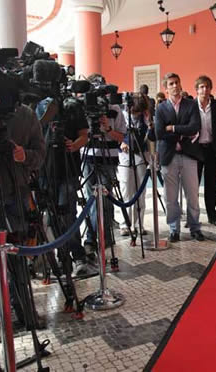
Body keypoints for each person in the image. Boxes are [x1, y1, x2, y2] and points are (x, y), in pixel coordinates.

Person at [0, 101, 46, 342]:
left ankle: (24, 307)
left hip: (18, 190)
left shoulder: (26, 114)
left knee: (20, 254)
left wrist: (24, 155)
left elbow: (40, 154)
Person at [35, 97, 95, 276]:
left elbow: (84, 135)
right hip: (43, 171)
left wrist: (74, 145)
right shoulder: (35, 104)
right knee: (52, 216)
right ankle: (62, 258)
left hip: (68, 168)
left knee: (68, 215)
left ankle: (78, 256)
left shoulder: (70, 106)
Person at [155, 72, 204, 242]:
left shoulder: (191, 105)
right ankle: (174, 229)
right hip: (169, 156)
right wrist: (182, 132)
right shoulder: (160, 108)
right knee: (171, 197)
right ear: (166, 88)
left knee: (192, 194)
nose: (175, 86)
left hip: (189, 154)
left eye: (177, 82)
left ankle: (195, 227)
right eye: (171, 84)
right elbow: (159, 132)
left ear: (180, 84)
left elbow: (195, 127)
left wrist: (173, 128)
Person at [82, 73, 127, 251]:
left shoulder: (114, 109)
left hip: (109, 158)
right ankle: (92, 238)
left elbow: (121, 137)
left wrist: (107, 127)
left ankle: (102, 237)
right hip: (89, 158)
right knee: (90, 200)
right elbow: (81, 136)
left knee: (106, 200)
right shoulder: (84, 107)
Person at [194, 76, 216, 228]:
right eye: (201, 87)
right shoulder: (190, 105)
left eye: (207, 87)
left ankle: (212, 216)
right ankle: (193, 217)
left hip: (212, 151)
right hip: (195, 151)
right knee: (192, 186)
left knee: (211, 185)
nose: (205, 90)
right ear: (197, 89)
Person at [117, 94, 152, 236]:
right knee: (126, 190)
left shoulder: (146, 116)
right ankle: (125, 224)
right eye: (135, 111)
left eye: (140, 111)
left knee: (141, 190)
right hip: (124, 154)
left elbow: (151, 137)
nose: (137, 114)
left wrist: (149, 123)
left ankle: (139, 224)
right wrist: (121, 142)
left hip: (141, 153)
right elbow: (116, 132)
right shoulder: (122, 114)